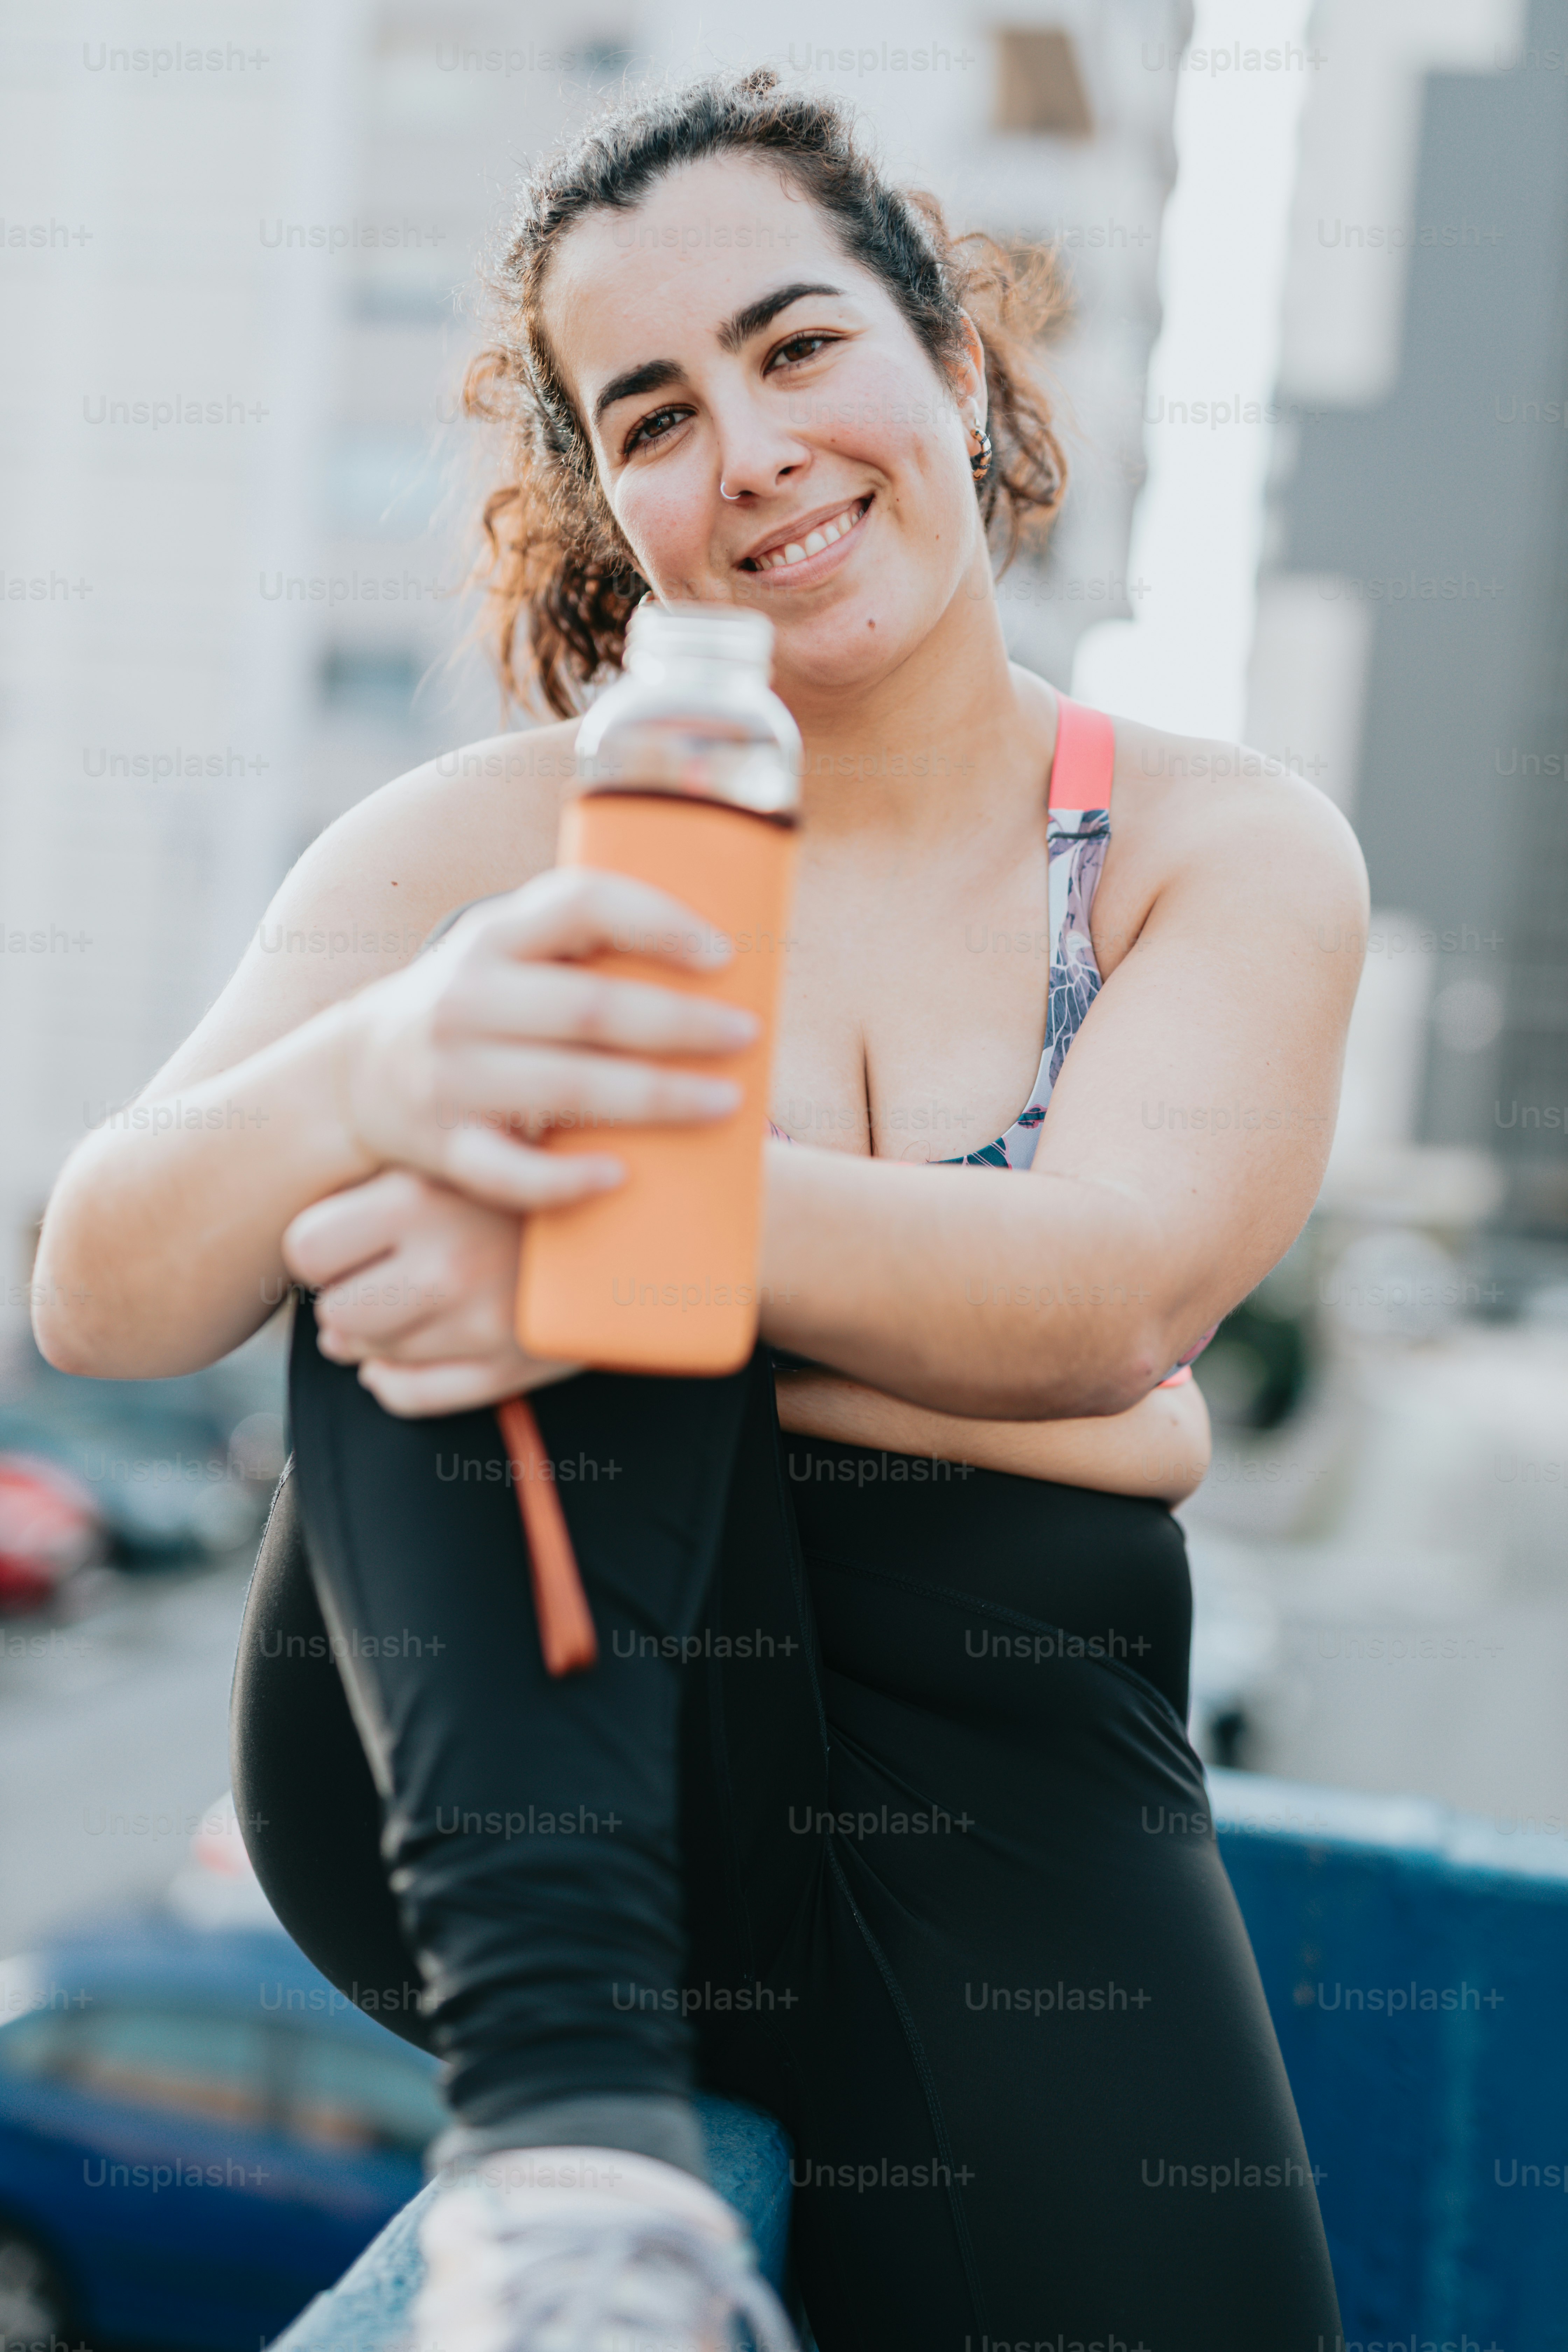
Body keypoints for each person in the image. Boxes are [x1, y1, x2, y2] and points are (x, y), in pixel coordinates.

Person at [33, 67, 1366, 2352]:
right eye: (648, 414)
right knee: (476, 1095)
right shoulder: (490, 833)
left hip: (1014, 1787)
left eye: (797, 346)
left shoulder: (1209, 846)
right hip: (533, 1737)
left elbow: (1108, 1291)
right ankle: (561, 2161)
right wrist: (387, 1072)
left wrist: (690, 1222)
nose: (747, 453)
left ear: (953, 361)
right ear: (608, 500)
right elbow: (110, 1281)